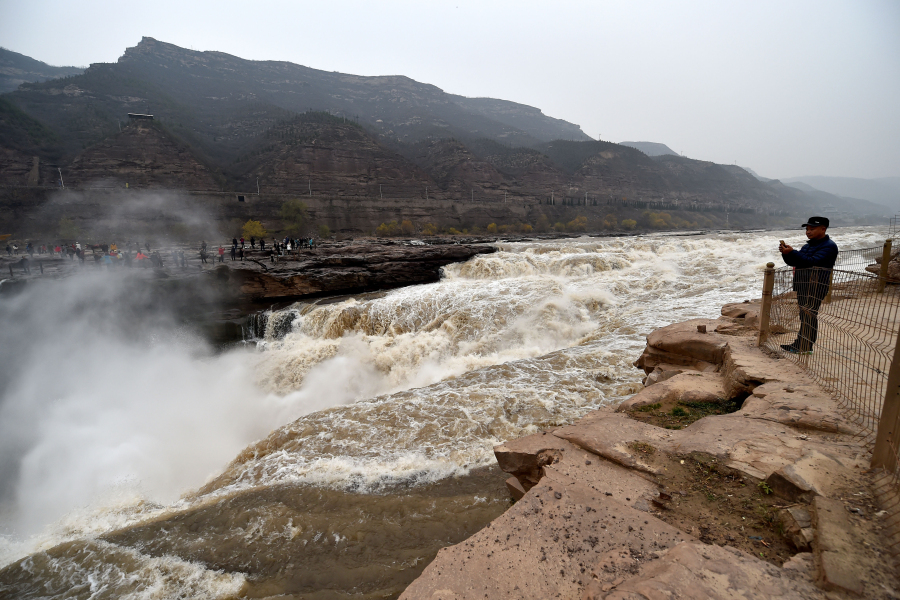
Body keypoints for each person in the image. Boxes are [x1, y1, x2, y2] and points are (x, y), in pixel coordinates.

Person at [778, 216, 838, 354]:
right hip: (803, 284)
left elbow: (812, 262)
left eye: (812, 229)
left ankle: (805, 346)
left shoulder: (829, 246)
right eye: (807, 229)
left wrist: (792, 252)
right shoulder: (808, 246)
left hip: (816, 285)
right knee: (805, 315)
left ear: (823, 229)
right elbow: (796, 262)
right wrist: (786, 254)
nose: (808, 232)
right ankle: (801, 344)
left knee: (809, 315)